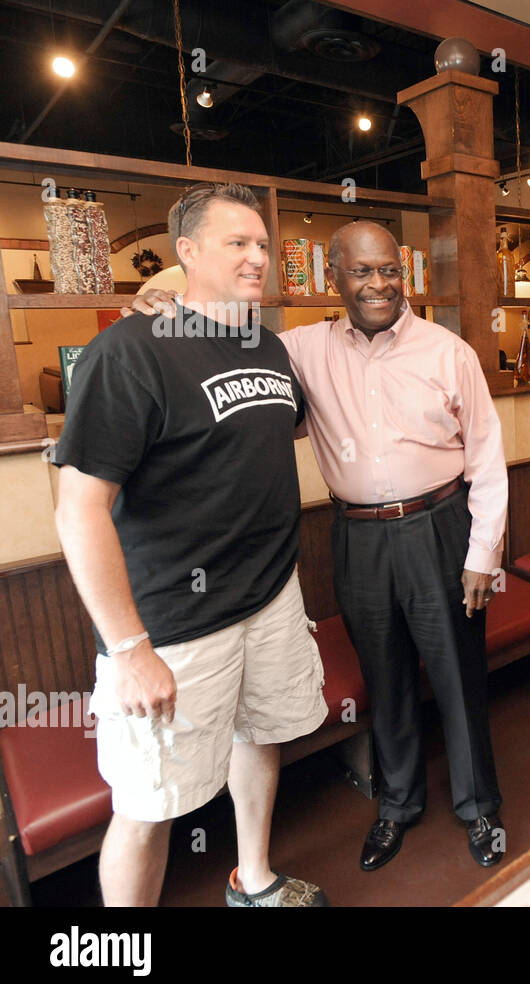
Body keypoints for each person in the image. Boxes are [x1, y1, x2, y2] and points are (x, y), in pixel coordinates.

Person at [130, 221, 509, 874]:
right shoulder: (297, 348)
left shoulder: (449, 352)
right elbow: (220, 342)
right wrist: (164, 300)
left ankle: (480, 810)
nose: (378, 284)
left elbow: (489, 458)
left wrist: (482, 555)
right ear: (334, 277)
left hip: (439, 529)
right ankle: (396, 805)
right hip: (356, 535)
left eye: (389, 270)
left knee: (458, 674)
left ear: (404, 274)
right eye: (362, 271)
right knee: (383, 678)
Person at [55, 182, 328, 907]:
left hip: (269, 597)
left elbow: (280, 431)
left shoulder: (266, 345)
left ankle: (255, 878)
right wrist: (130, 648)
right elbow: (79, 507)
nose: (257, 258)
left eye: (263, 245)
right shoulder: (128, 350)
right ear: (187, 253)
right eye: (237, 243)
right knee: (147, 803)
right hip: (172, 623)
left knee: (260, 735)